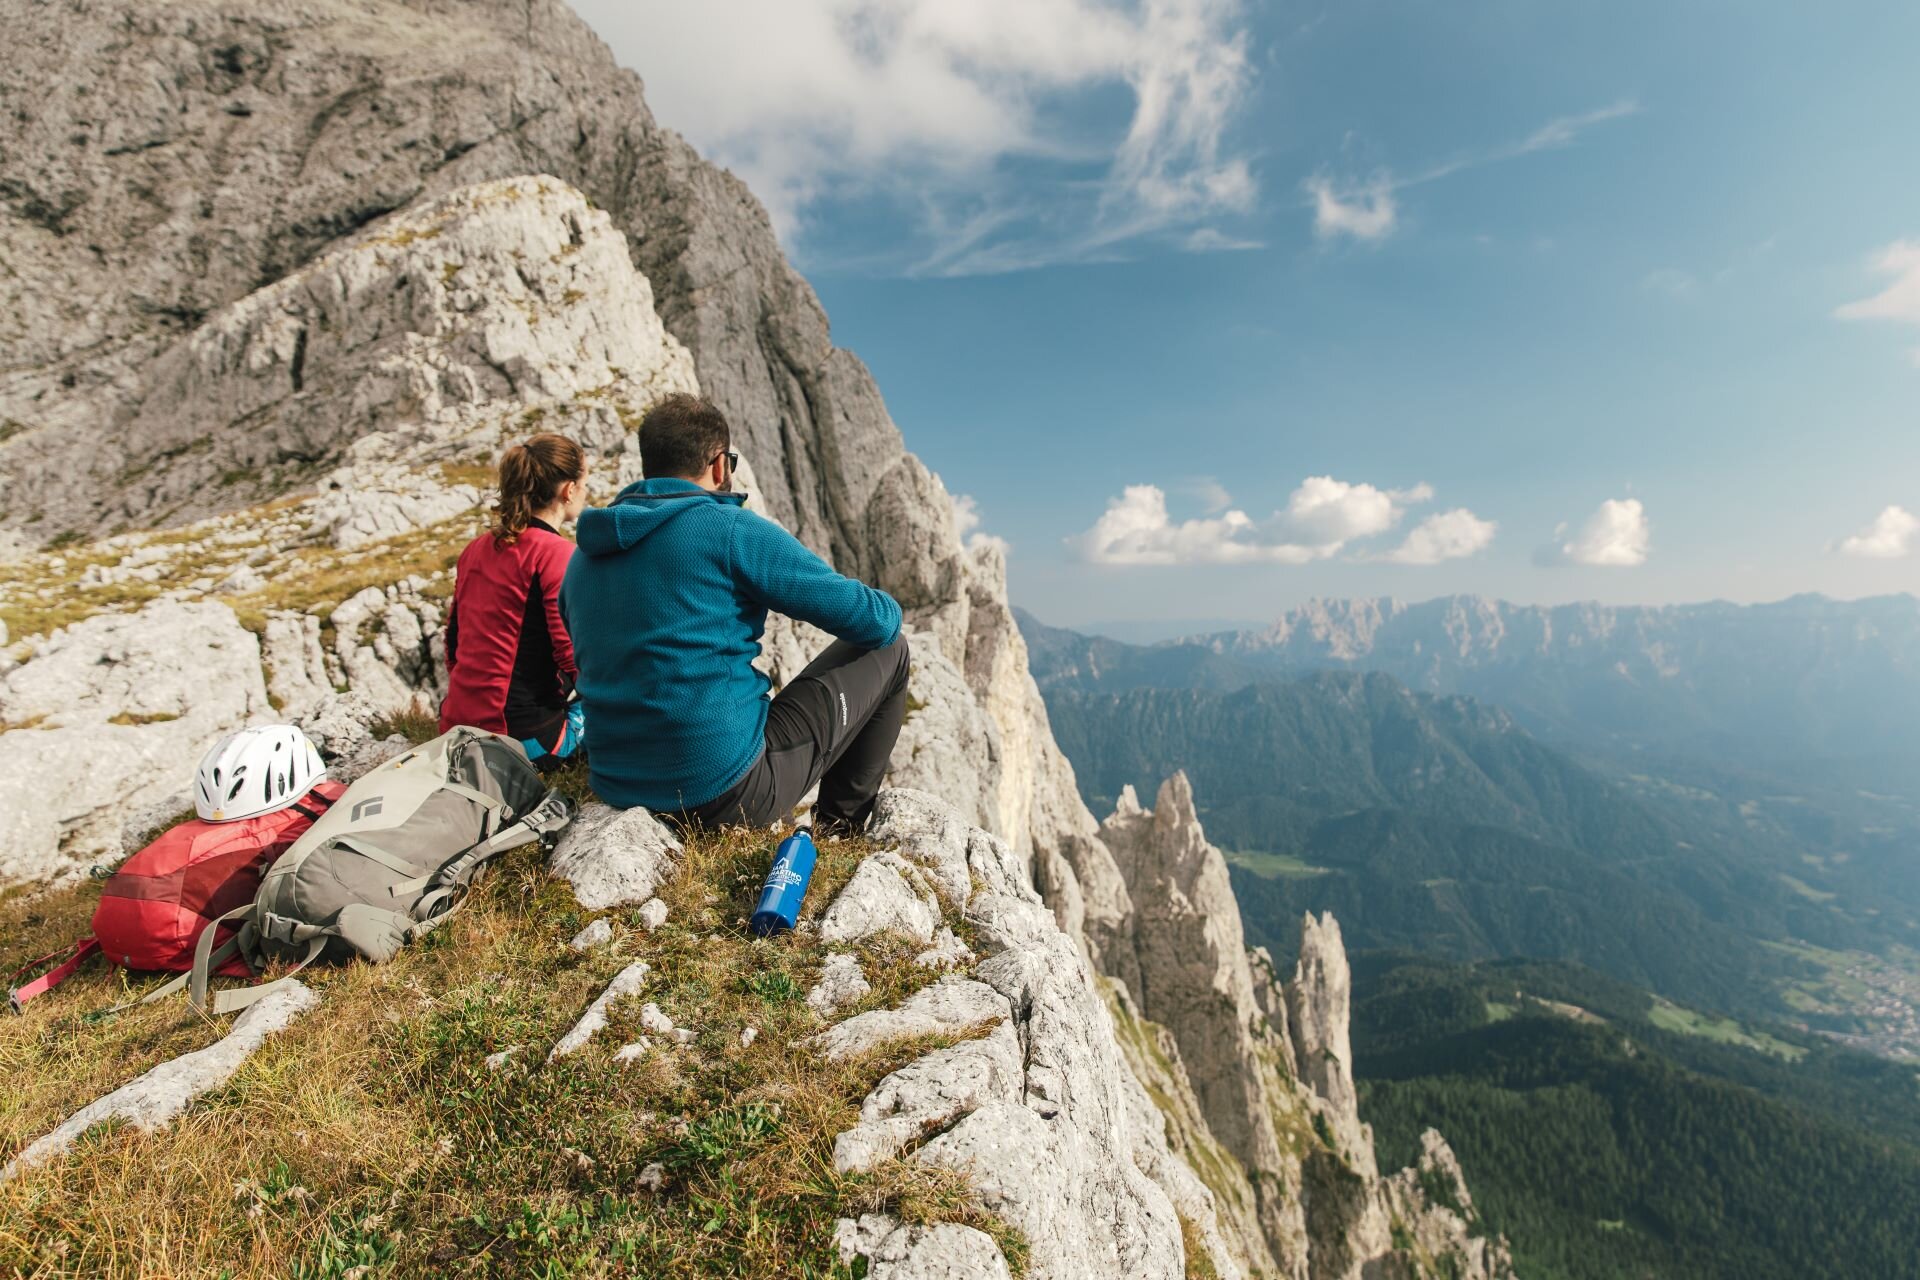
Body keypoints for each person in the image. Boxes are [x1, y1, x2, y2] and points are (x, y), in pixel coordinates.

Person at [560, 393, 908, 835]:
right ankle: (839, 829)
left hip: (616, 783)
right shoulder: (728, 530)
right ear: (720, 465)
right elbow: (874, 621)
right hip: (722, 793)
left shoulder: (580, 560)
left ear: (649, 465)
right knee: (891, 649)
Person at [440, 433, 589, 768]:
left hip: (457, 727)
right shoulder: (557, 554)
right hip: (523, 741)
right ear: (568, 490)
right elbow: (572, 655)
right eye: (584, 482)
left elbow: (453, 643)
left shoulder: (476, 549)